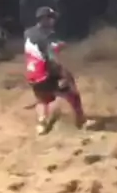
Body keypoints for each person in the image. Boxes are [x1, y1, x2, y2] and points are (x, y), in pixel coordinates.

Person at [24, 7, 93, 136]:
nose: (53, 21)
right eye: (51, 18)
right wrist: (64, 75)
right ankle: (81, 121)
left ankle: (41, 124)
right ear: (44, 19)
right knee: (72, 93)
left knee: (43, 99)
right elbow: (52, 58)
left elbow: (39, 48)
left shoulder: (28, 33)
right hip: (45, 75)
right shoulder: (48, 36)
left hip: (32, 76)